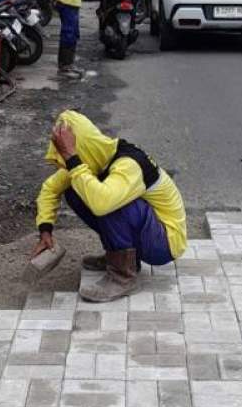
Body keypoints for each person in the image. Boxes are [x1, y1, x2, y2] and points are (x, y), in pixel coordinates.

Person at [32, 110, 187, 302]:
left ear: (81, 147)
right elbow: (50, 189)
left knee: (107, 201)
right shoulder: (94, 159)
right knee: (76, 188)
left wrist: (72, 157)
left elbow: (102, 203)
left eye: (69, 154)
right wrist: (45, 231)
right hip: (148, 232)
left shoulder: (129, 164)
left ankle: (123, 277)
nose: (66, 161)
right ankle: (121, 257)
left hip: (165, 243)